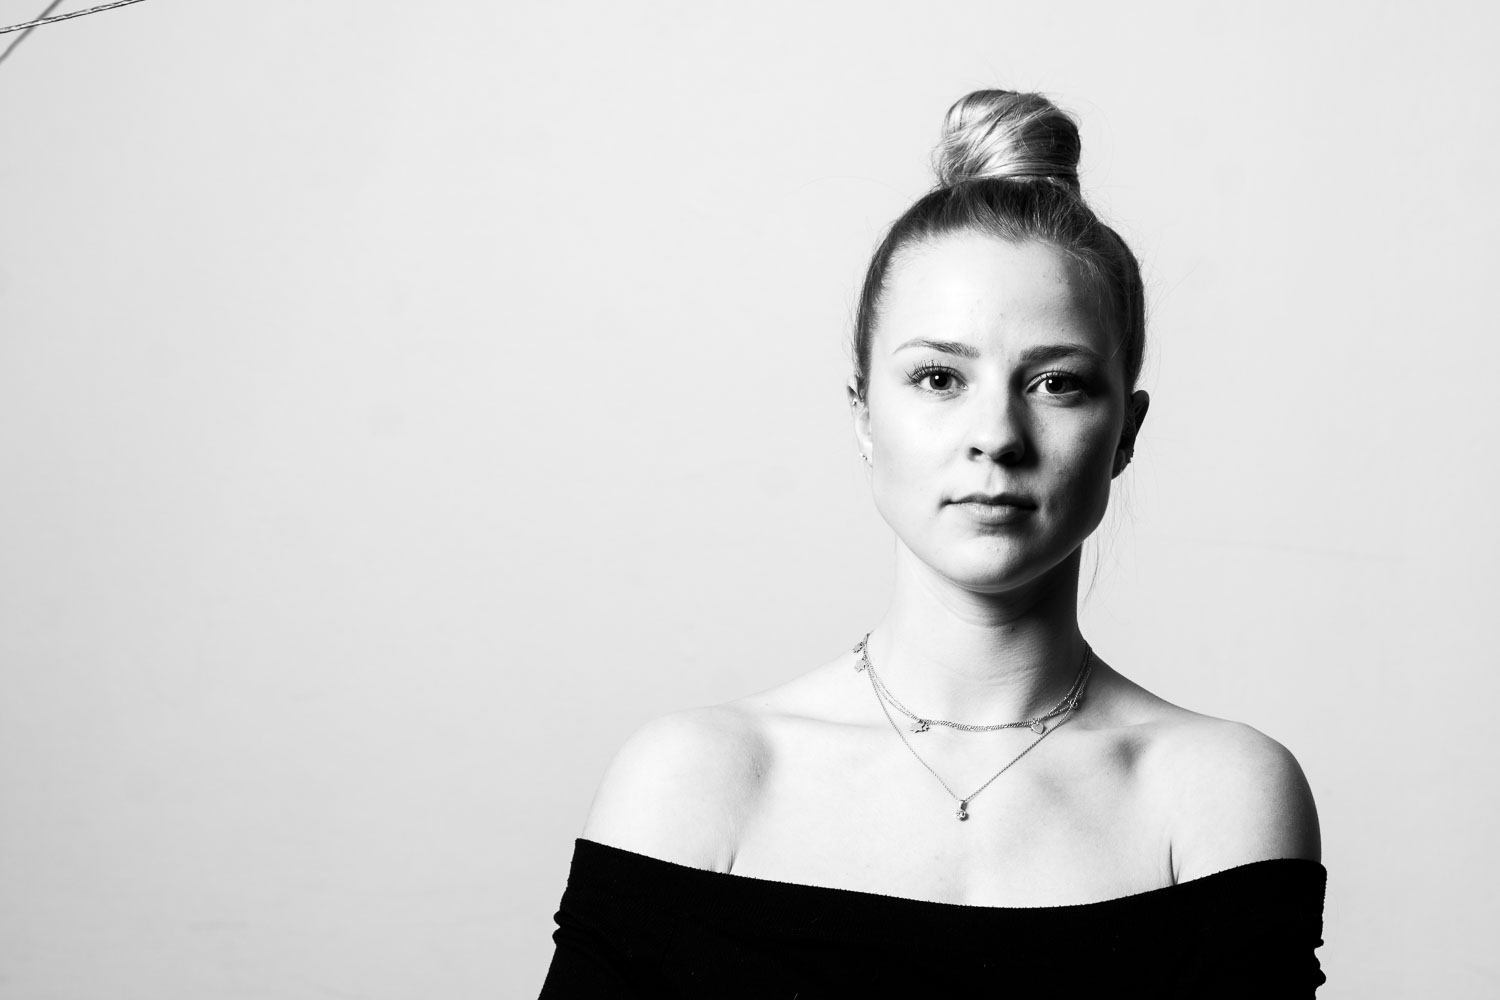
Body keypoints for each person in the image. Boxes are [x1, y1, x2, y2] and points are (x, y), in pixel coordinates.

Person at [539, 89, 1325, 997]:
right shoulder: (696, 779)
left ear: (1126, 433)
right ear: (864, 415)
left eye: (1057, 383)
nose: (996, 436)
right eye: (940, 377)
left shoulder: (1219, 794)